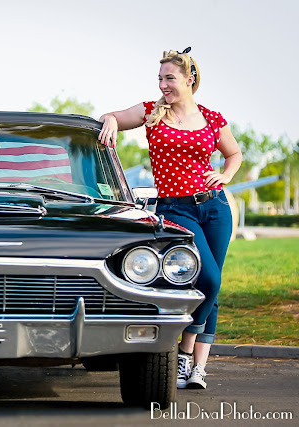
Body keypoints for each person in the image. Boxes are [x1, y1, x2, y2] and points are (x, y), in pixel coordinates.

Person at [98, 47, 242, 390]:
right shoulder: (151, 112)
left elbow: (233, 153)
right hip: (176, 209)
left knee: (214, 283)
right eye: (160, 78)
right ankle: (182, 354)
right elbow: (112, 115)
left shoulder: (212, 117)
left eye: (170, 78)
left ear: (189, 79)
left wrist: (226, 176)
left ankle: (197, 368)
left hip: (214, 207)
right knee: (206, 279)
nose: (163, 84)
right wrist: (112, 124)